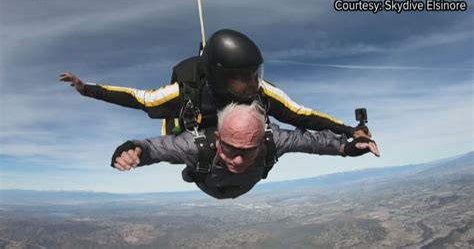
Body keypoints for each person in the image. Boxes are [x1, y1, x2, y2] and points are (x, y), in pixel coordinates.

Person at [59, 29, 372, 139]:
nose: (253, 85)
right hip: (196, 128)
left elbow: (302, 114)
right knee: (179, 130)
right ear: (221, 78)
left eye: (255, 75)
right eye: (244, 78)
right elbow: (138, 98)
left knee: (263, 132)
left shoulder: (260, 91)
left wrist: (348, 129)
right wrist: (88, 89)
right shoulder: (184, 92)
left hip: (229, 136)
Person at [111, 101, 380, 199]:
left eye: (248, 150)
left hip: (232, 184)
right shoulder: (196, 144)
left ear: (261, 142)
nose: (238, 160)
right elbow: (153, 148)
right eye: (230, 149)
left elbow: (315, 141)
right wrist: (131, 151)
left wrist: (349, 147)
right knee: (187, 159)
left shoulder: (272, 138)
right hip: (209, 184)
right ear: (217, 140)